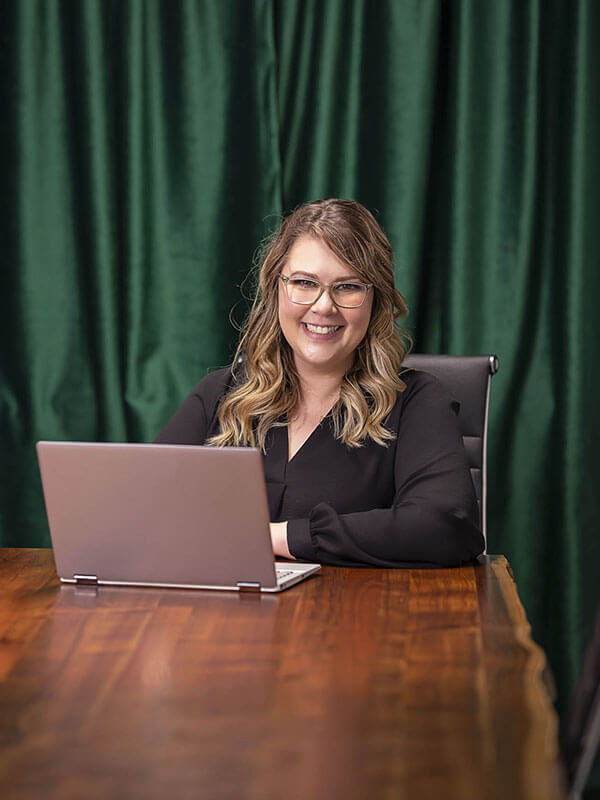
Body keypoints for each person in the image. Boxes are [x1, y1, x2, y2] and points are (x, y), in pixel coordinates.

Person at [155, 198, 484, 567]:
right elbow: (143, 510)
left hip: (355, 619)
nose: (324, 306)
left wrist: (278, 537)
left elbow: (446, 525)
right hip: (225, 617)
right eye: (304, 283)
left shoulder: (416, 402)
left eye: (347, 287)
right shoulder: (220, 395)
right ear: (276, 288)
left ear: (375, 300)